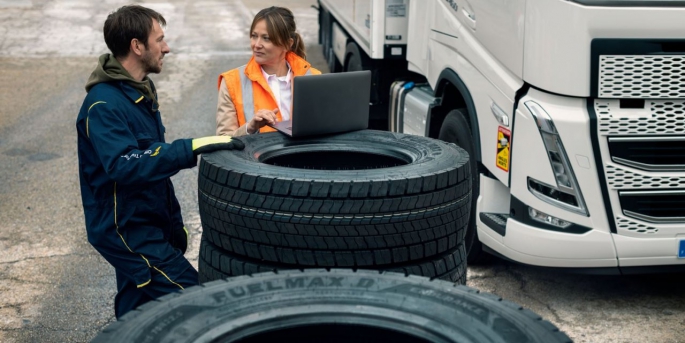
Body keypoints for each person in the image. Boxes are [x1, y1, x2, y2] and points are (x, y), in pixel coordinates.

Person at [76, 5, 243, 319]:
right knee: (200, 304)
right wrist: (190, 148)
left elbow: (151, 167)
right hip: (125, 230)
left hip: (147, 221)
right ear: (137, 47)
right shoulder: (103, 105)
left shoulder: (138, 90)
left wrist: (172, 223)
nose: (167, 47)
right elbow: (126, 165)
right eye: (159, 40)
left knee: (136, 311)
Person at [216, 6, 321, 137]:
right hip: (255, 157)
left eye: (266, 38)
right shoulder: (231, 82)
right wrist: (250, 127)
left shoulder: (314, 78)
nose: (257, 44)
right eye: (254, 36)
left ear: (288, 44)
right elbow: (223, 139)